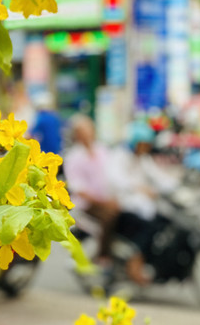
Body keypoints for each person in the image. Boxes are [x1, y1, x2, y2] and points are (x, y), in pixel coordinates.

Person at [109, 122, 179, 285]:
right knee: (149, 228)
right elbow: (116, 180)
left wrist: (178, 184)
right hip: (125, 205)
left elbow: (159, 176)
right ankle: (135, 262)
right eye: (144, 144)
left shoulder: (143, 159)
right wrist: (139, 188)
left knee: (164, 223)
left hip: (143, 205)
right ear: (136, 142)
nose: (146, 148)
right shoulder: (120, 156)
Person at [62, 115, 119, 261]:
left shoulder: (102, 150)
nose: (87, 135)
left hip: (105, 198)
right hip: (86, 204)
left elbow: (112, 175)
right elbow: (78, 188)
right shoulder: (73, 156)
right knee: (110, 215)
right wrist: (103, 202)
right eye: (82, 132)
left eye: (88, 130)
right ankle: (103, 255)